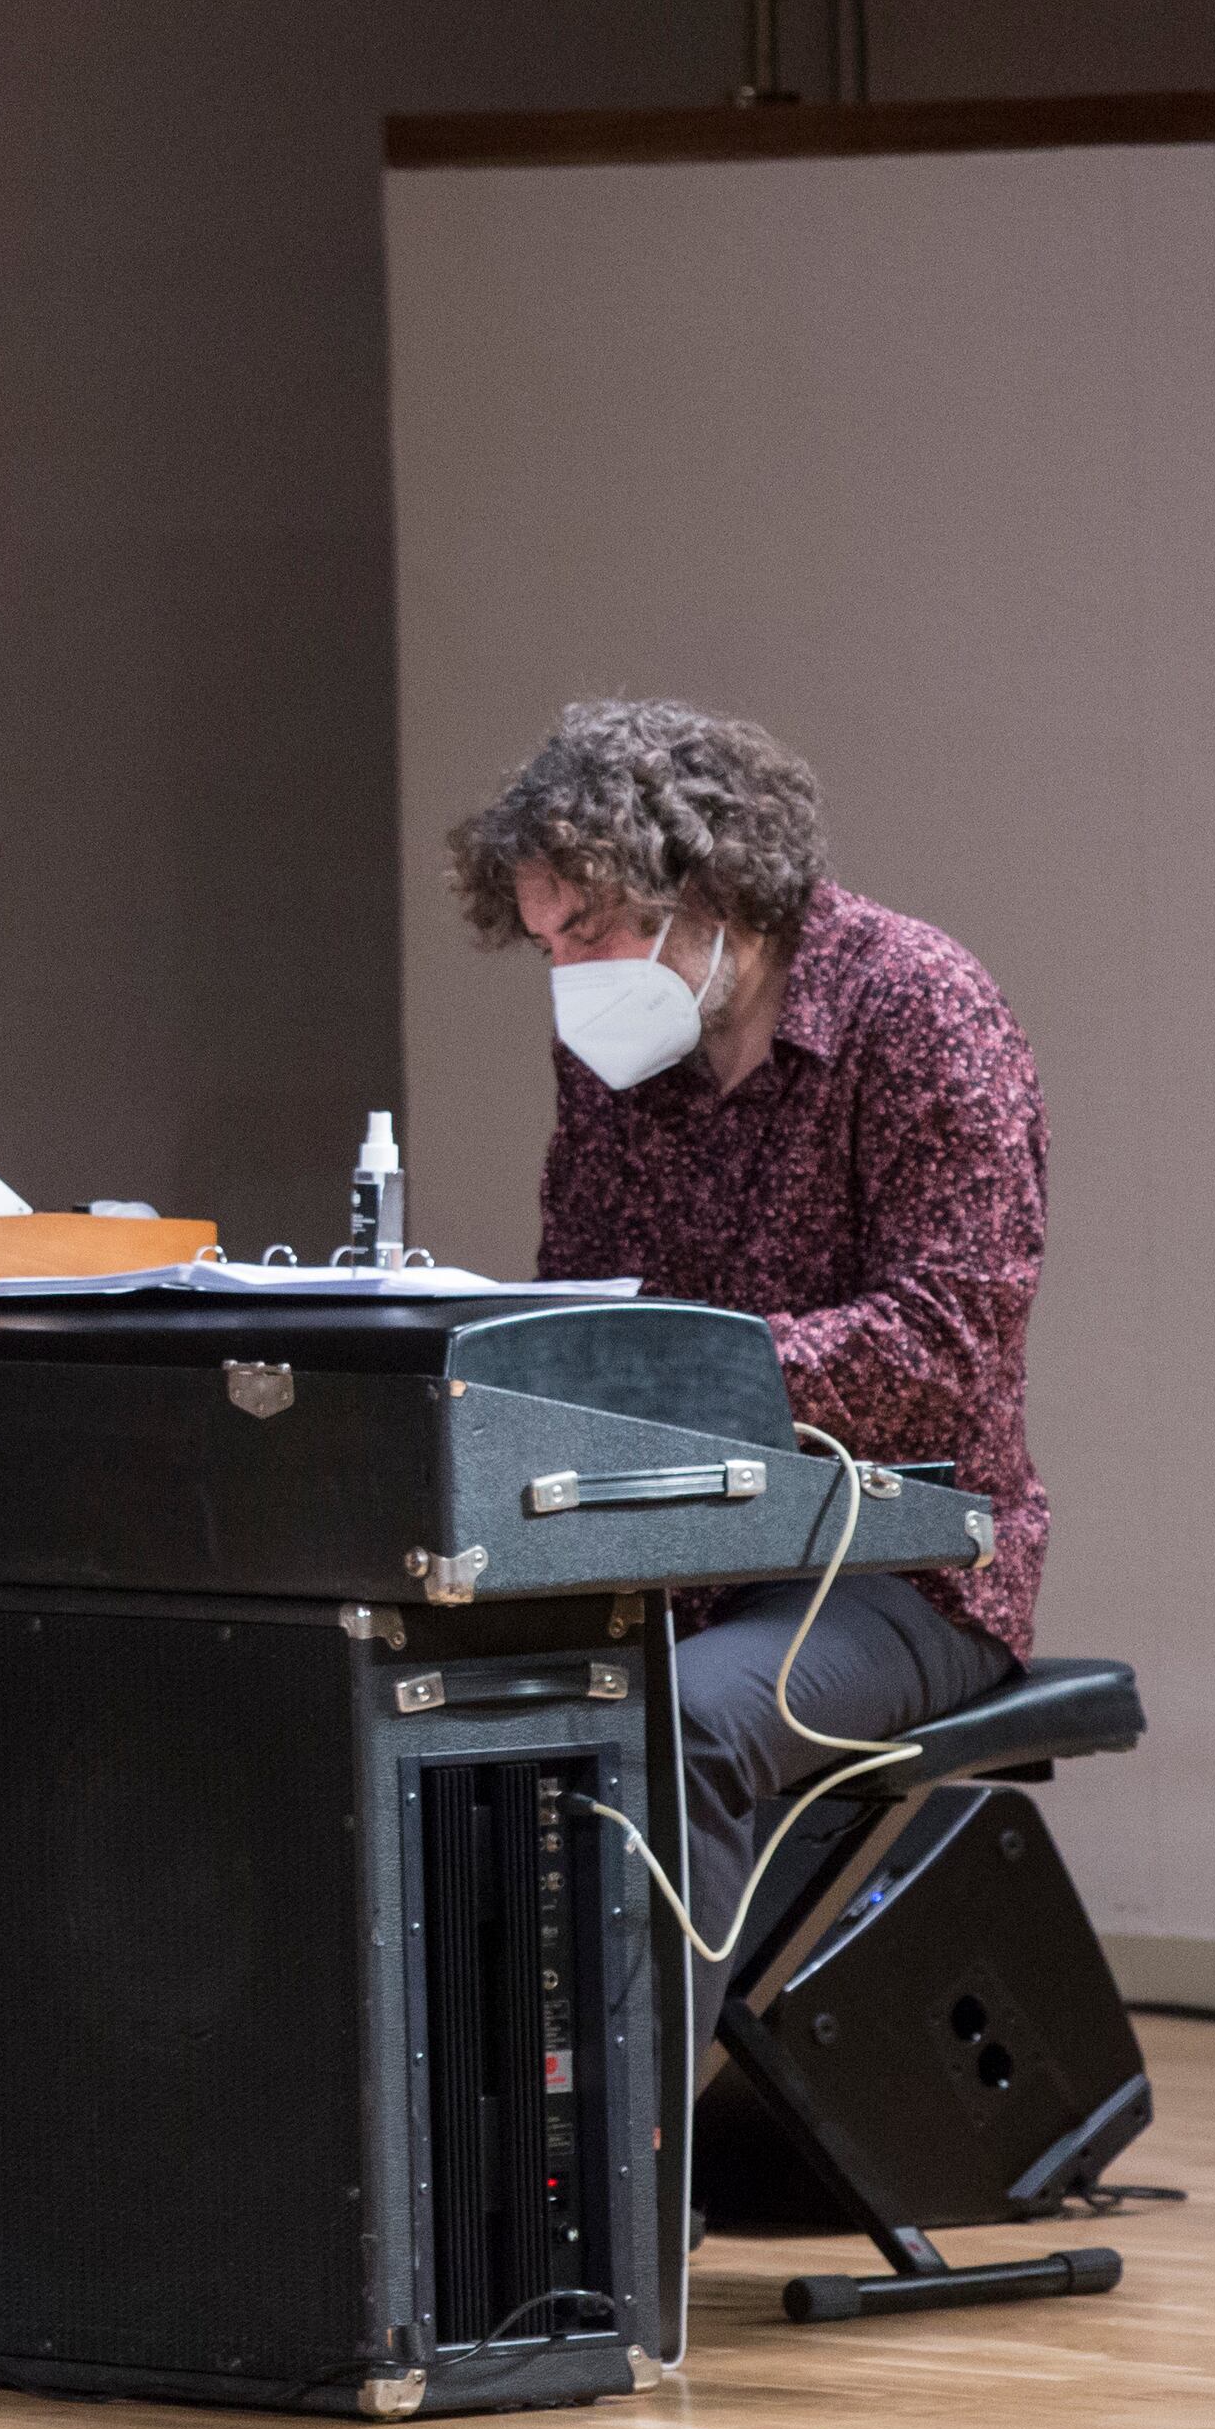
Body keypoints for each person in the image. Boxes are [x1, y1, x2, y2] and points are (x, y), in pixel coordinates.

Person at [448, 698, 1048, 2044]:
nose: (568, 973)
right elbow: (586, 1316)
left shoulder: (921, 1010)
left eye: (587, 932)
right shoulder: (615, 1053)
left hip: (901, 1565)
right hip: (676, 1542)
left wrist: (690, 1368)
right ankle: (466, 2168)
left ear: (705, 887)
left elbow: (945, 1349)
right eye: (545, 944)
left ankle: (632, 2200)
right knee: (435, 1689)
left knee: (692, 1720)